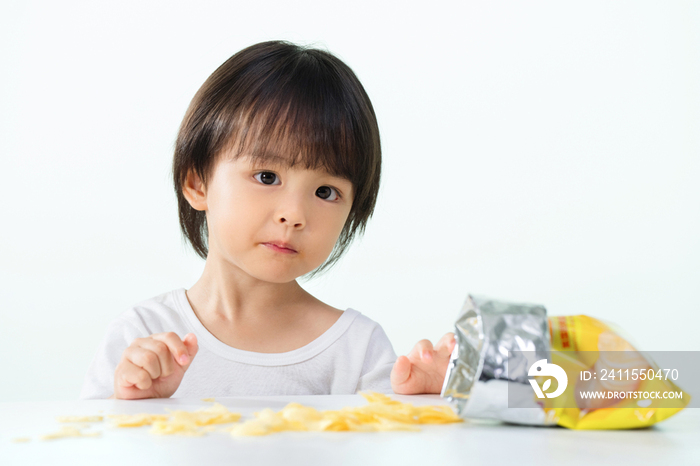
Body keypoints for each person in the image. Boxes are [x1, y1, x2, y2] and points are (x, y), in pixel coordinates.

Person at [79, 40, 455, 400]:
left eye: (325, 192)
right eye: (266, 177)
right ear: (197, 183)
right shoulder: (143, 336)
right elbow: (88, 446)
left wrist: (432, 401)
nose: (293, 215)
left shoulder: (357, 349)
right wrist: (129, 403)